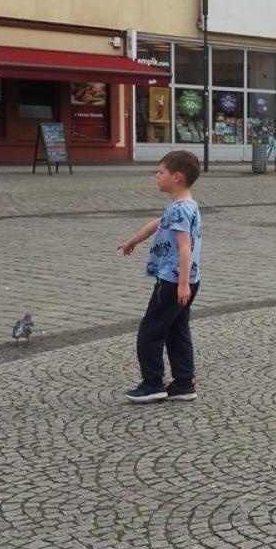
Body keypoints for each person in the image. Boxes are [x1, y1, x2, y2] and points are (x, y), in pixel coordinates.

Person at [117, 151, 203, 403]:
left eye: (161, 172)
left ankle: (152, 383)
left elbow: (185, 247)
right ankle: (184, 383)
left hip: (173, 281)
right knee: (177, 329)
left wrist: (183, 283)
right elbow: (157, 224)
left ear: (176, 177)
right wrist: (133, 241)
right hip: (187, 280)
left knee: (150, 331)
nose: (157, 176)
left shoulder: (179, 210)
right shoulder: (186, 206)